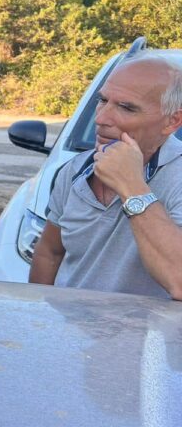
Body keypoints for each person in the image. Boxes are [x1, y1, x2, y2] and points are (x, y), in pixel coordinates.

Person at [29, 55, 182, 299]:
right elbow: (50, 252)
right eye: (102, 100)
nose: (100, 119)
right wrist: (39, 312)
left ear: (172, 121)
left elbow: (179, 281)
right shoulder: (75, 169)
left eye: (126, 107)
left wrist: (131, 186)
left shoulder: (177, 178)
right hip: (68, 321)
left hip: (143, 325)